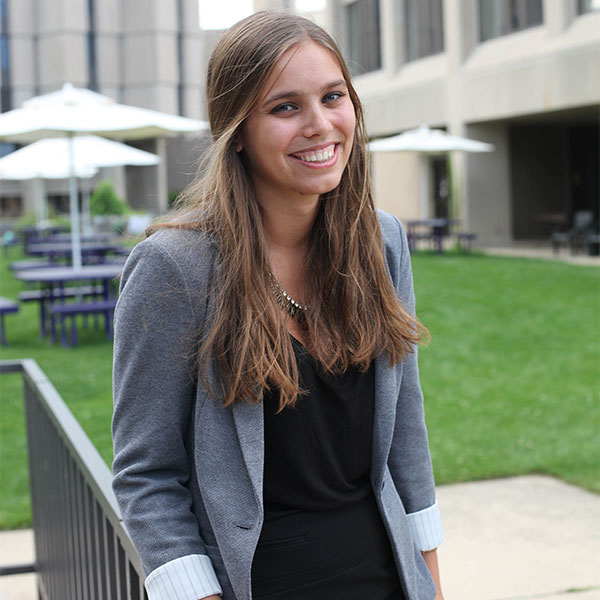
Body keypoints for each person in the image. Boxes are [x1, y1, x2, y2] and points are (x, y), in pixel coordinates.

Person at [112, 11, 444, 600]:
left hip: (386, 577)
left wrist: (432, 583)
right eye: (285, 107)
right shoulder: (176, 267)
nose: (320, 125)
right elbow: (147, 475)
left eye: (333, 96)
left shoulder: (382, 241)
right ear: (238, 129)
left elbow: (405, 440)